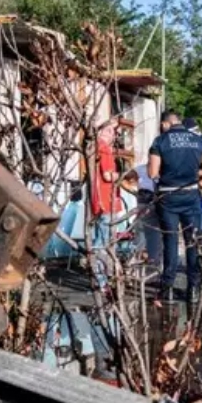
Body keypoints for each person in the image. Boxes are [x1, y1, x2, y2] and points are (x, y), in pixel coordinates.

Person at [148, 110, 202, 304]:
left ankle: (167, 288)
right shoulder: (199, 141)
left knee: (170, 242)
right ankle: (192, 288)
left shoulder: (160, 142)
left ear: (166, 124)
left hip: (168, 197)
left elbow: (152, 173)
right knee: (191, 242)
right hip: (191, 196)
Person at [89, 122, 123, 287]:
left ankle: (103, 279)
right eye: (110, 131)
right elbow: (109, 176)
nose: (113, 135)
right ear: (101, 132)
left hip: (98, 200)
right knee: (104, 243)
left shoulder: (93, 148)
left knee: (102, 241)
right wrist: (122, 175)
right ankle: (102, 281)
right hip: (106, 201)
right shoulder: (104, 149)